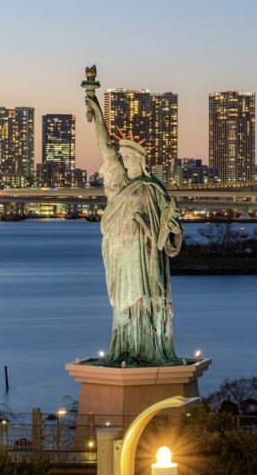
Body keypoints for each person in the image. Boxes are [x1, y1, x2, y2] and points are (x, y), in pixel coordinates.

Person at [85, 89, 184, 366]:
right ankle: (127, 347)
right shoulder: (118, 183)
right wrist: (96, 112)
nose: (125, 164)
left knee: (146, 299)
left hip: (146, 251)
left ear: (141, 161)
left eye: (129, 160)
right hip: (122, 253)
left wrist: (172, 229)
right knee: (124, 302)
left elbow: (171, 225)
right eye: (123, 160)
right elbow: (105, 148)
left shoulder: (154, 189)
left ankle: (150, 347)